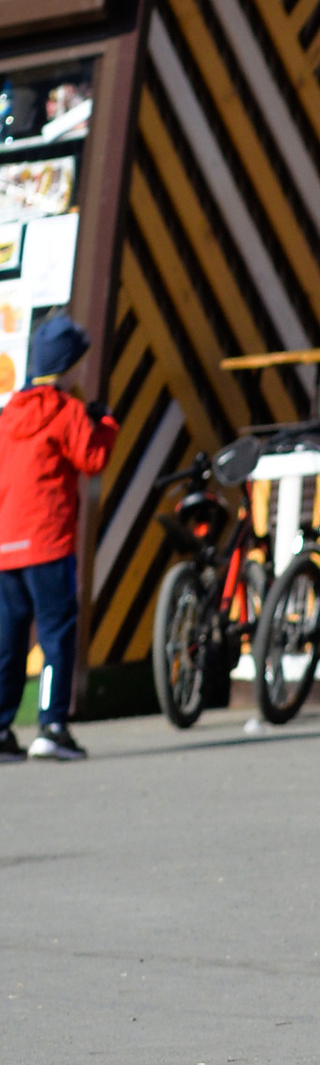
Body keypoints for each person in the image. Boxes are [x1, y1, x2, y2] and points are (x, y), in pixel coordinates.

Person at [0, 313, 110, 759]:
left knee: (7, 640)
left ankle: (2, 729)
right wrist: (103, 423)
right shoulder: (67, 410)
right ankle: (52, 726)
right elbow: (93, 457)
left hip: (6, 544)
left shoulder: (7, 414)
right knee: (56, 634)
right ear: (68, 366)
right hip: (48, 542)